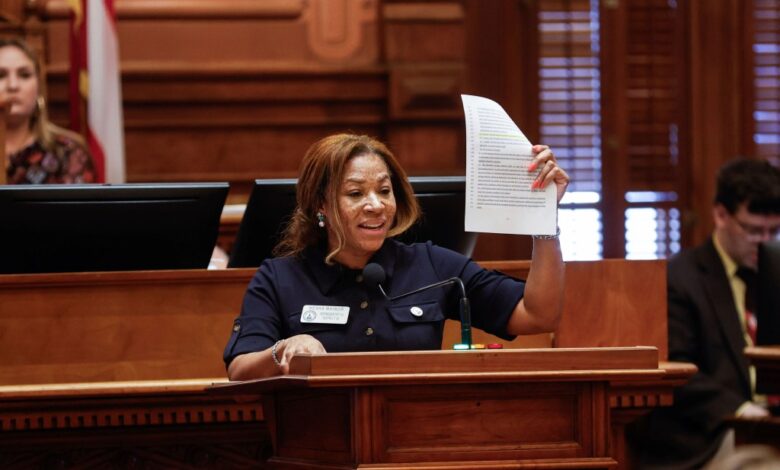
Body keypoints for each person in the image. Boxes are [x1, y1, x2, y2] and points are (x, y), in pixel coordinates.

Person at [223, 133, 569, 380]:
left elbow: (538, 315)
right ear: (321, 205)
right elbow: (239, 369)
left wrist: (544, 220)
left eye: (384, 191)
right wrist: (284, 348)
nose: (376, 205)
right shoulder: (281, 277)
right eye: (356, 193)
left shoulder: (432, 265)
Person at [633, 159, 780, 469]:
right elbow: (676, 372)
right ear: (721, 215)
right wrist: (741, 410)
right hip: (709, 436)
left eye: (774, 231)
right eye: (754, 230)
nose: (764, 242)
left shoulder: (774, 273)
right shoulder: (680, 277)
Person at [1, 38, 95, 184]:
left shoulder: (66, 151)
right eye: (1, 75)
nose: (13, 85)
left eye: (24, 75)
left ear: (39, 88)